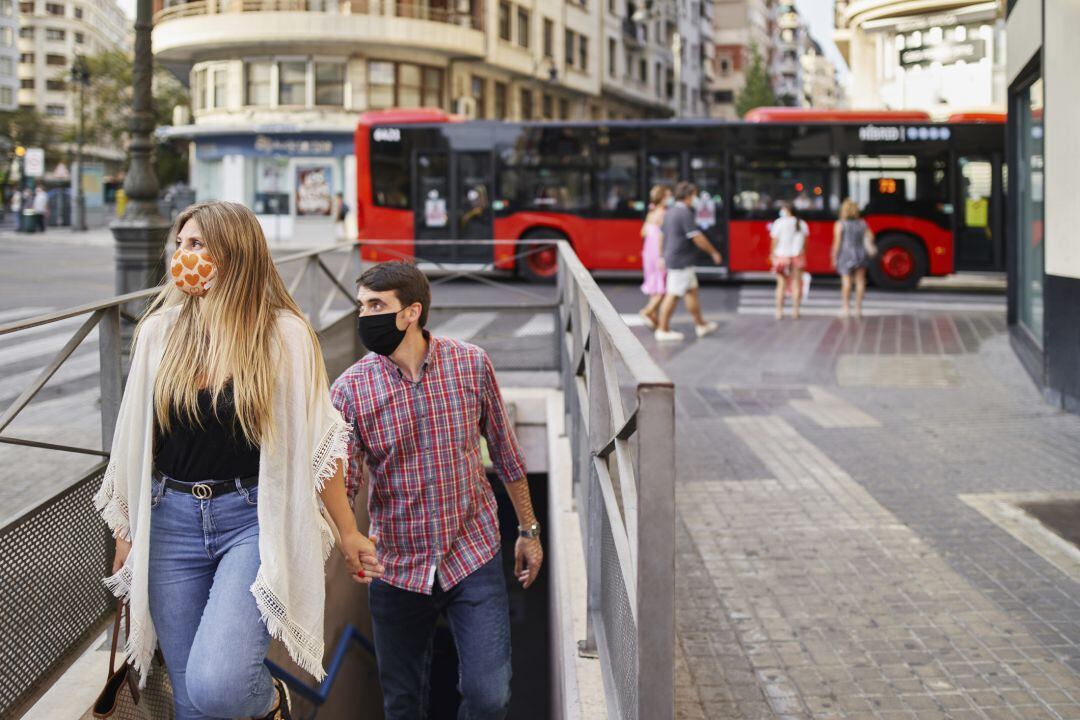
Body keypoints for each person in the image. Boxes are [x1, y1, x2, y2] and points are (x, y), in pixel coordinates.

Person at [93, 201, 380, 720]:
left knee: (219, 684)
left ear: (235, 252)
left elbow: (320, 444)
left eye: (197, 244)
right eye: (180, 244)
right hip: (169, 518)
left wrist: (347, 531)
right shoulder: (161, 331)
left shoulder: (285, 336)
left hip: (250, 520)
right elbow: (133, 439)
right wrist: (126, 531)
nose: (183, 255)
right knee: (191, 700)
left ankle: (271, 701)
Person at [330, 261, 544, 720]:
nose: (364, 317)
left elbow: (505, 453)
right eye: (361, 305)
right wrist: (345, 538)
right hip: (395, 567)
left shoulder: (470, 362)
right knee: (403, 703)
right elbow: (342, 483)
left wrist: (529, 530)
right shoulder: (350, 389)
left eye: (375, 305)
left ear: (411, 312)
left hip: (472, 553)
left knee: (490, 697)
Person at [655, 181, 722, 342]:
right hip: (681, 261)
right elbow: (697, 237)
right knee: (673, 295)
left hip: (678, 259)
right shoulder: (684, 213)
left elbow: (661, 235)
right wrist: (713, 252)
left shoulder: (670, 212)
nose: (695, 198)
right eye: (694, 195)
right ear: (688, 196)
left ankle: (701, 325)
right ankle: (662, 329)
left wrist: (661, 256)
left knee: (691, 291)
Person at [832, 198, 876, 318]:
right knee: (860, 281)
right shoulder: (862, 223)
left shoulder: (840, 224)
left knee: (846, 282)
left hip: (845, 254)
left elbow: (837, 243)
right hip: (860, 253)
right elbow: (871, 237)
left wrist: (834, 257)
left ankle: (846, 308)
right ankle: (858, 309)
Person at [638, 184, 670, 329]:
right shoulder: (663, 213)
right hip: (658, 253)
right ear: (663, 198)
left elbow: (643, 233)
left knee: (654, 287)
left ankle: (656, 323)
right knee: (662, 289)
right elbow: (663, 236)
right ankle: (647, 311)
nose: (670, 198)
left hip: (648, 252)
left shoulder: (651, 213)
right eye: (668, 196)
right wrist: (662, 256)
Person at [769, 203, 809, 320]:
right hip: (797, 256)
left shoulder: (779, 223)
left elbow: (774, 242)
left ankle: (779, 312)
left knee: (781, 285)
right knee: (796, 284)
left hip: (781, 256)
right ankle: (795, 312)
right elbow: (805, 243)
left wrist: (772, 255)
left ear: (786, 210)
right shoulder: (802, 224)